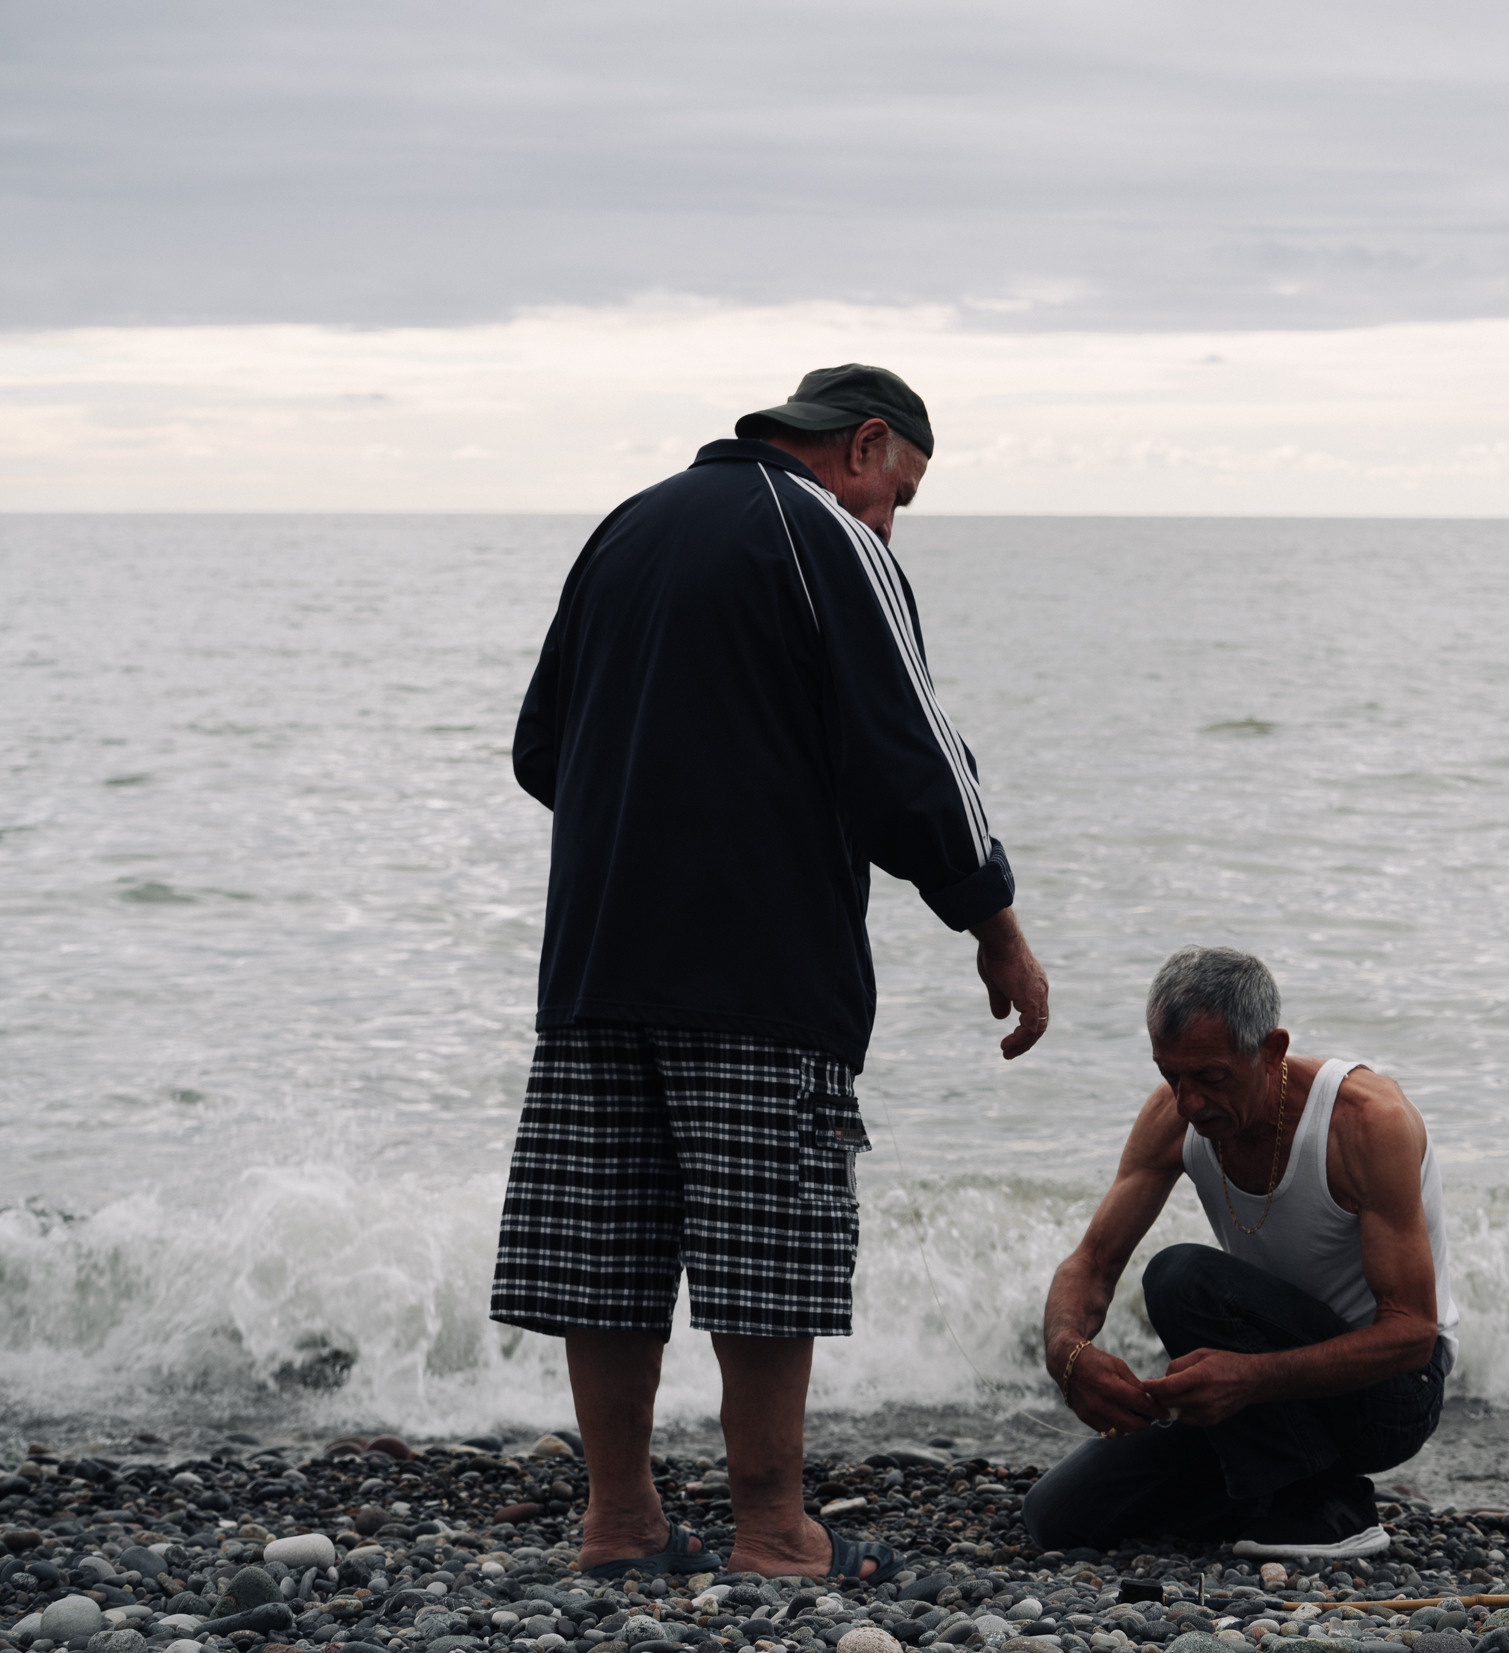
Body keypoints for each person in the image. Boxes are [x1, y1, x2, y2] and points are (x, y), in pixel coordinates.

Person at [487, 365, 1050, 1583]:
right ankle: (772, 1530)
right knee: (767, 1246)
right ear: (862, 448)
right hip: (759, 972)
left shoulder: (625, 529)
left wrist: (651, 810)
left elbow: (543, 749)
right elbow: (912, 755)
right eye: (898, 494)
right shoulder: (826, 540)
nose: (891, 522)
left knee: (606, 1243)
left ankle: (621, 1522)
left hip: (592, 965)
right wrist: (992, 921)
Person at [1024, 947, 1457, 1559]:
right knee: (1057, 1517)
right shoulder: (1174, 1116)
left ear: (1272, 1050)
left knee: (1179, 1277)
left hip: (1390, 1396)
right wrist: (1066, 1351)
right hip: (1266, 1402)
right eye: (1171, 1076)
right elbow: (1091, 1263)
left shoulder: (1364, 1122)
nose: (1189, 1102)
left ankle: (1328, 1509)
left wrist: (1249, 1377)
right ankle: (1264, 1491)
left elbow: (1413, 1333)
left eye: (1211, 1077)